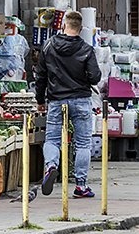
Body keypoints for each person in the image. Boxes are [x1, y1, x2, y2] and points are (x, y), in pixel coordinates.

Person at [36, 11, 101, 198]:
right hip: (81, 100)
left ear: (63, 25)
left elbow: (41, 75)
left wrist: (40, 100)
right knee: (83, 144)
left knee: (52, 140)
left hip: (56, 100)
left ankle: (51, 166)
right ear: (80, 29)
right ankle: (80, 186)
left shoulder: (48, 46)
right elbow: (95, 77)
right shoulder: (87, 50)